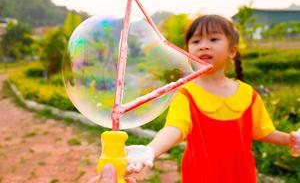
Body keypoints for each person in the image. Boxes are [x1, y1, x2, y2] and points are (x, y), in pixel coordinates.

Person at [125, 14, 300, 183]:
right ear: (188, 52)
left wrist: (289, 139)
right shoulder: (187, 93)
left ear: (232, 51)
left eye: (213, 39)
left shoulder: (248, 94)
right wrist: (151, 150)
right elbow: (174, 128)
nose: (203, 46)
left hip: (242, 175)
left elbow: (263, 131)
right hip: (201, 175)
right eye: (196, 41)